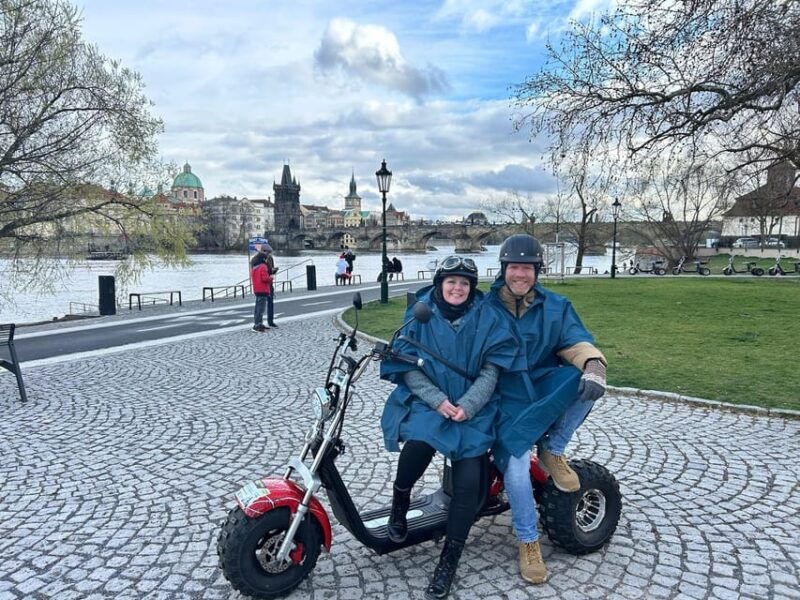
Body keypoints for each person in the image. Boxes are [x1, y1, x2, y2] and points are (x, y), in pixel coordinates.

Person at [381, 256, 521, 599]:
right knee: (418, 445)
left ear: (471, 287)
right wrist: (437, 401)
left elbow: (491, 370)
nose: (458, 288)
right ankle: (400, 503)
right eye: (451, 281)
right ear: (440, 283)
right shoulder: (421, 312)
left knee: (469, 483)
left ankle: (450, 557)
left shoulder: (488, 316)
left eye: (464, 283)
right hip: (431, 403)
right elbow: (408, 366)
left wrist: (468, 405)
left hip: (474, 408)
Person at [486, 234, 607, 584]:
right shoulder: (485, 307)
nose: (520, 274)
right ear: (504, 269)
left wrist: (593, 363)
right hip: (501, 397)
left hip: (537, 386)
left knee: (585, 377)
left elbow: (575, 341)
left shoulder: (556, 305)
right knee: (516, 463)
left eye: (527, 268)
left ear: (537, 270)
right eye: (514, 267)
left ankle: (553, 449)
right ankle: (528, 541)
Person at [251, 244, 278, 328]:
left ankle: (268, 321)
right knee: (260, 306)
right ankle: (258, 324)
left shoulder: (269, 259)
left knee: (267, 303)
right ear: (264, 251)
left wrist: (272, 271)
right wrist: (270, 275)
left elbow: (266, 270)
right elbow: (261, 272)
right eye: (268, 252)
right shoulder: (257, 260)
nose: (269, 254)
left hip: (266, 284)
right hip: (262, 284)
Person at [250, 251, 273, 332]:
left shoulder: (255, 267)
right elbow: (265, 278)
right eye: (266, 259)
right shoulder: (263, 266)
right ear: (263, 259)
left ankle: (258, 323)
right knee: (261, 309)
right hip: (263, 289)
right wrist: (271, 277)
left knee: (257, 308)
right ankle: (257, 325)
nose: (267, 260)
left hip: (257, 289)